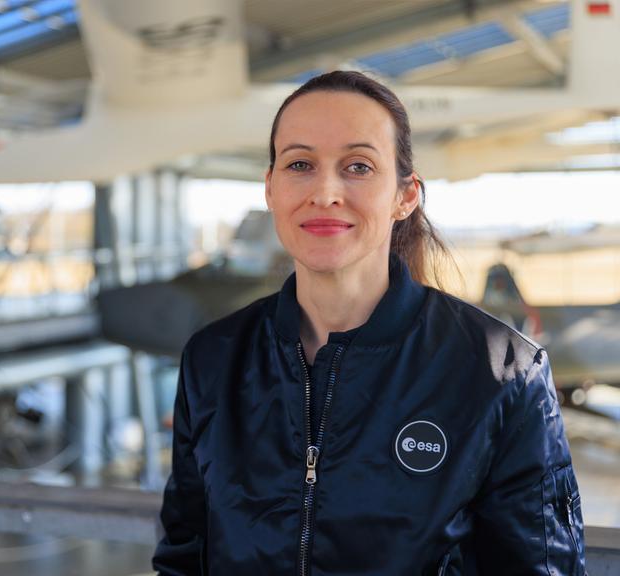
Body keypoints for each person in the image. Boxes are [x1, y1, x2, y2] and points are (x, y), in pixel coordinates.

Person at [152, 70, 586, 575]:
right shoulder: (214, 358)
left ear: (406, 196)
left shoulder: (501, 373)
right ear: (270, 188)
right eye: (300, 164)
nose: (326, 192)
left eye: (358, 166)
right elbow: (184, 554)